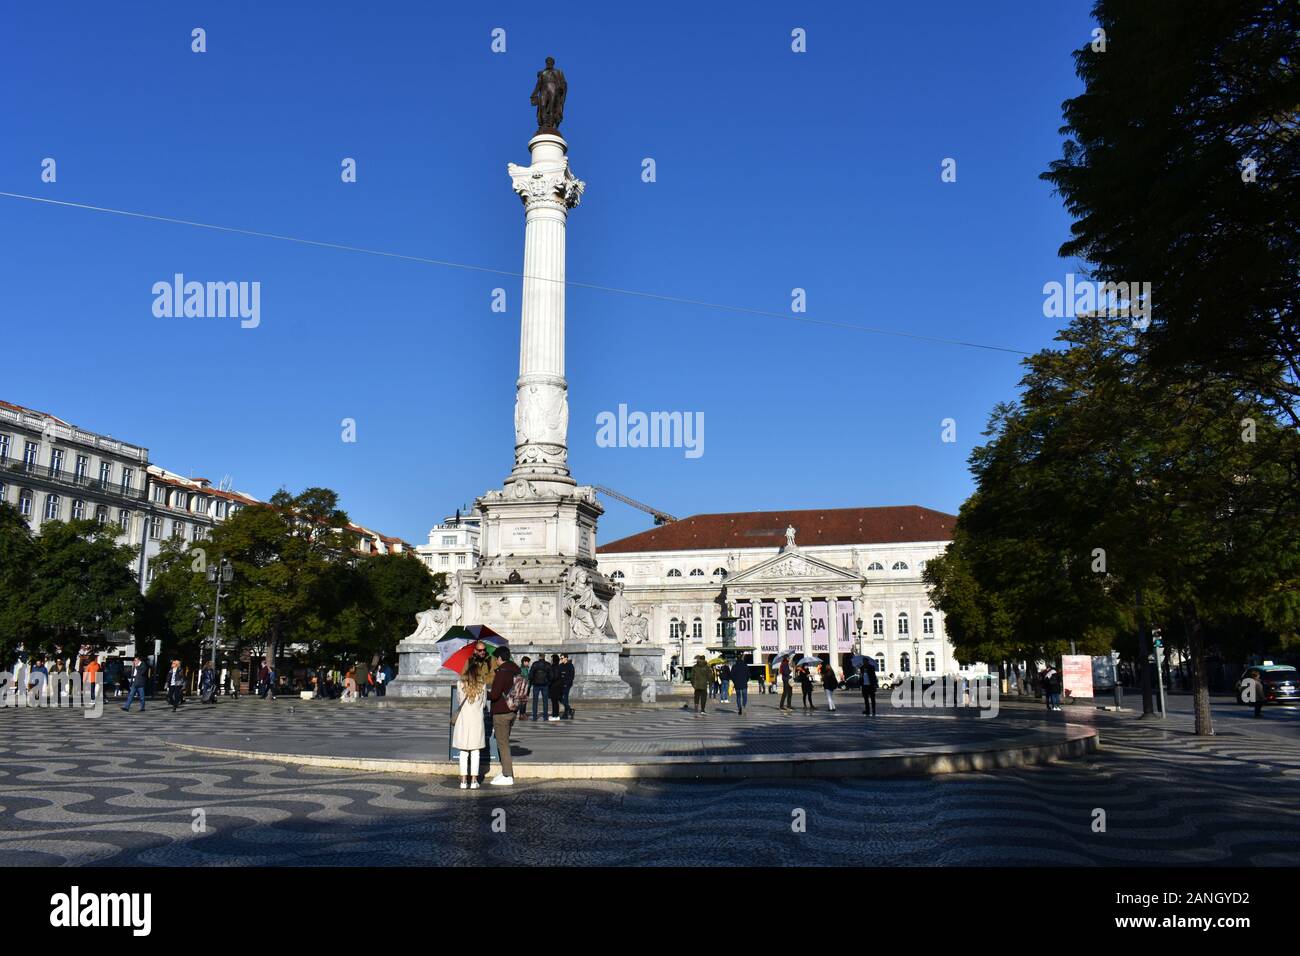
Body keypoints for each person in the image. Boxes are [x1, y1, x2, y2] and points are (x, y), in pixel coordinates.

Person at [486, 647, 521, 786]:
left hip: (501, 712)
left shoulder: (502, 672)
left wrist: (484, 692)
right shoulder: (516, 670)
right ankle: (504, 771)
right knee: (505, 741)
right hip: (513, 710)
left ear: (500, 658)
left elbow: (494, 695)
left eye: (496, 658)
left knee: (503, 744)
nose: (495, 661)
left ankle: (508, 775)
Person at [452, 659, 489, 789]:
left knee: (463, 752)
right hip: (476, 722)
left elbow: (458, 700)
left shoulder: (460, 684)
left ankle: (463, 781)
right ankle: (474, 781)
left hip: (463, 721)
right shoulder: (482, 685)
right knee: (475, 751)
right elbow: (484, 704)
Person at [529, 654, 551, 721]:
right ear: (544, 657)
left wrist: (532, 681)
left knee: (535, 701)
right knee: (545, 701)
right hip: (545, 685)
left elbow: (530, 675)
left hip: (536, 685)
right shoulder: (548, 664)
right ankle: (545, 717)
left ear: (539, 657)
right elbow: (551, 675)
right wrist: (548, 682)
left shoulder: (535, 664)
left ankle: (535, 717)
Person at [558, 653, 575, 719]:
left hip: (567, 685)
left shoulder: (570, 666)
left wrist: (566, 684)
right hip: (560, 685)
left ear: (566, 658)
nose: (561, 660)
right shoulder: (560, 666)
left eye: (562, 658)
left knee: (565, 698)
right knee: (559, 698)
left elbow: (572, 676)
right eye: (560, 658)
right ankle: (570, 710)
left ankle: (565, 714)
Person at [548, 653, 564, 721]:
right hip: (558, 686)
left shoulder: (553, 667)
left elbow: (552, 677)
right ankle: (555, 715)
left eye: (551, 659)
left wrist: (549, 681)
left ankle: (555, 715)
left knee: (554, 701)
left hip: (554, 686)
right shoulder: (559, 667)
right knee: (555, 701)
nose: (551, 660)